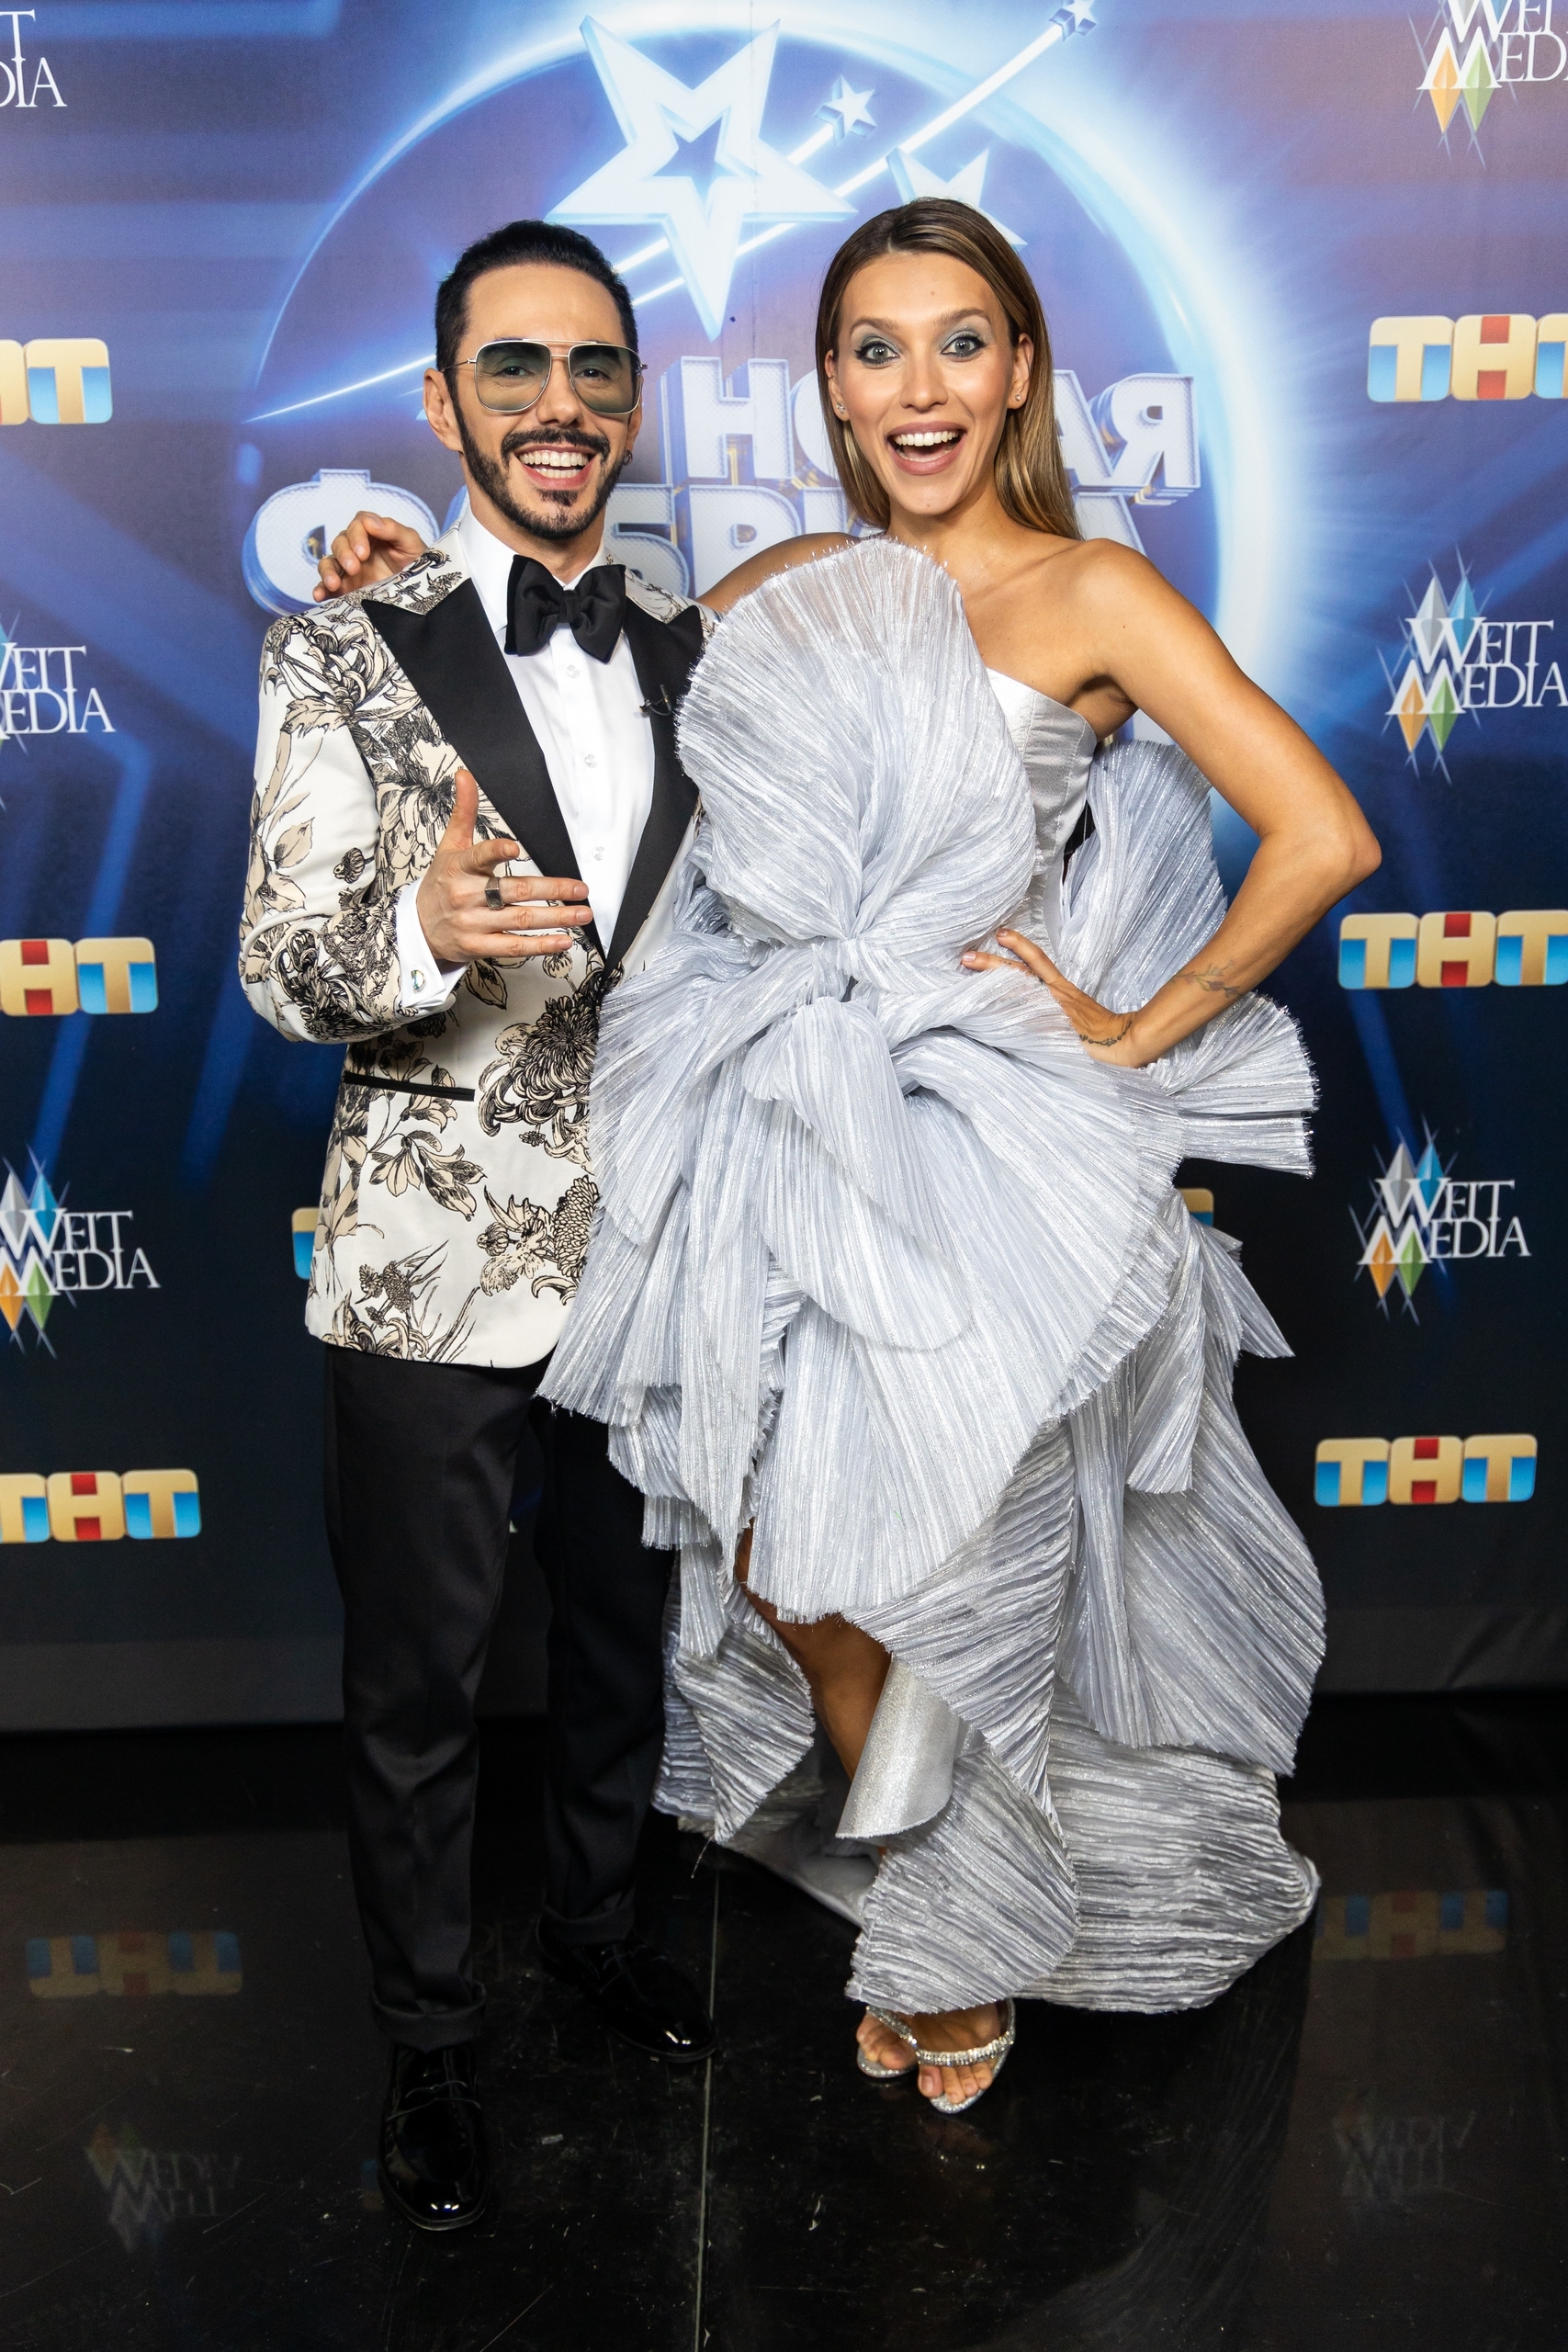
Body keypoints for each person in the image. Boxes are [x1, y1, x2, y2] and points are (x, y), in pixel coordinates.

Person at [318, 198, 1380, 2116]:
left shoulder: (1095, 594)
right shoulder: (786, 579)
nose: (920, 387)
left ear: (1021, 369)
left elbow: (1322, 833)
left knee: (956, 1553)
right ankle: (948, 1881)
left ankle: (954, 1938)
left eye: (959, 341)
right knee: (772, 1535)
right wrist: (406, 580)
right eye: (877, 348)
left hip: (975, 1130)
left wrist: (1135, 1028)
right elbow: (591, 709)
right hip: (769, 1119)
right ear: (829, 382)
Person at [242, 218, 718, 2235]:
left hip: (658, 1254)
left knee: (620, 1646)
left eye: (594, 366)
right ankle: (430, 2042)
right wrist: (421, 932)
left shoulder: (694, 642)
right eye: (512, 366)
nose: (558, 403)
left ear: (634, 401)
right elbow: (282, 963)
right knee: (420, 1686)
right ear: (441, 405)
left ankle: (596, 1931)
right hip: (430, 1263)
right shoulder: (339, 646)